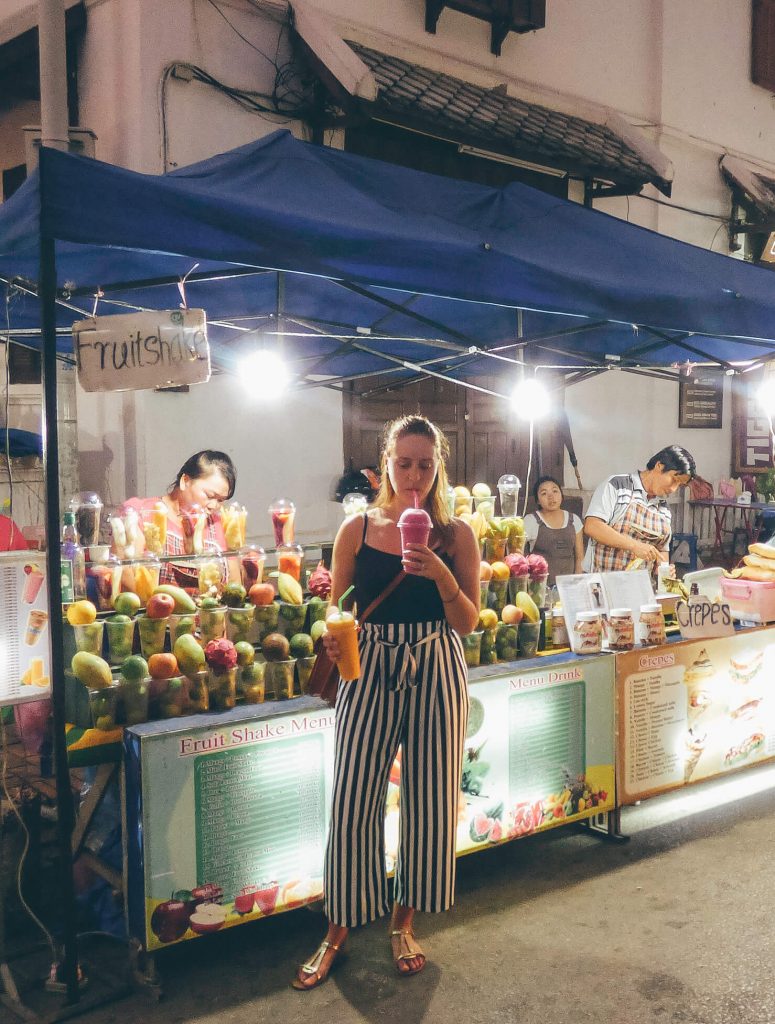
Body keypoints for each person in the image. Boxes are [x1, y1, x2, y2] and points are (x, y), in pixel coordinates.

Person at [292, 415, 480, 991]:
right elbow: (338, 605)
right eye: (404, 464)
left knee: (430, 800)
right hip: (367, 665)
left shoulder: (457, 534)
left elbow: (468, 622)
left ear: (438, 467)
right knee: (353, 798)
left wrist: (442, 573)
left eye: (426, 465)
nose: (415, 476)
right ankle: (336, 931)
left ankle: (404, 924)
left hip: (435, 663)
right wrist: (331, 629)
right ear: (387, 466)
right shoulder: (357, 529)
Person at [120, 450, 236, 584]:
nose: (214, 506)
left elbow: (234, 583)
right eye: (209, 496)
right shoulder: (141, 514)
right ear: (185, 481)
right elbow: (126, 576)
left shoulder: (218, 523)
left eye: (221, 500)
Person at [583, 445, 696, 582]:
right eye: (674, 479)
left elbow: (662, 549)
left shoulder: (664, 509)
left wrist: (663, 568)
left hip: (640, 588)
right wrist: (634, 546)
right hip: (602, 583)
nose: (673, 489)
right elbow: (592, 526)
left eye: (680, 485)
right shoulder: (617, 486)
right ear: (659, 466)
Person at [523, 476, 584, 583]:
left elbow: (579, 558)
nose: (551, 496)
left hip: (568, 587)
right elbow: (519, 555)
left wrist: (577, 583)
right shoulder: (530, 521)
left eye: (555, 491)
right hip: (539, 588)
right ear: (537, 501)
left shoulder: (574, 520)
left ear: (561, 495)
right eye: (544, 493)